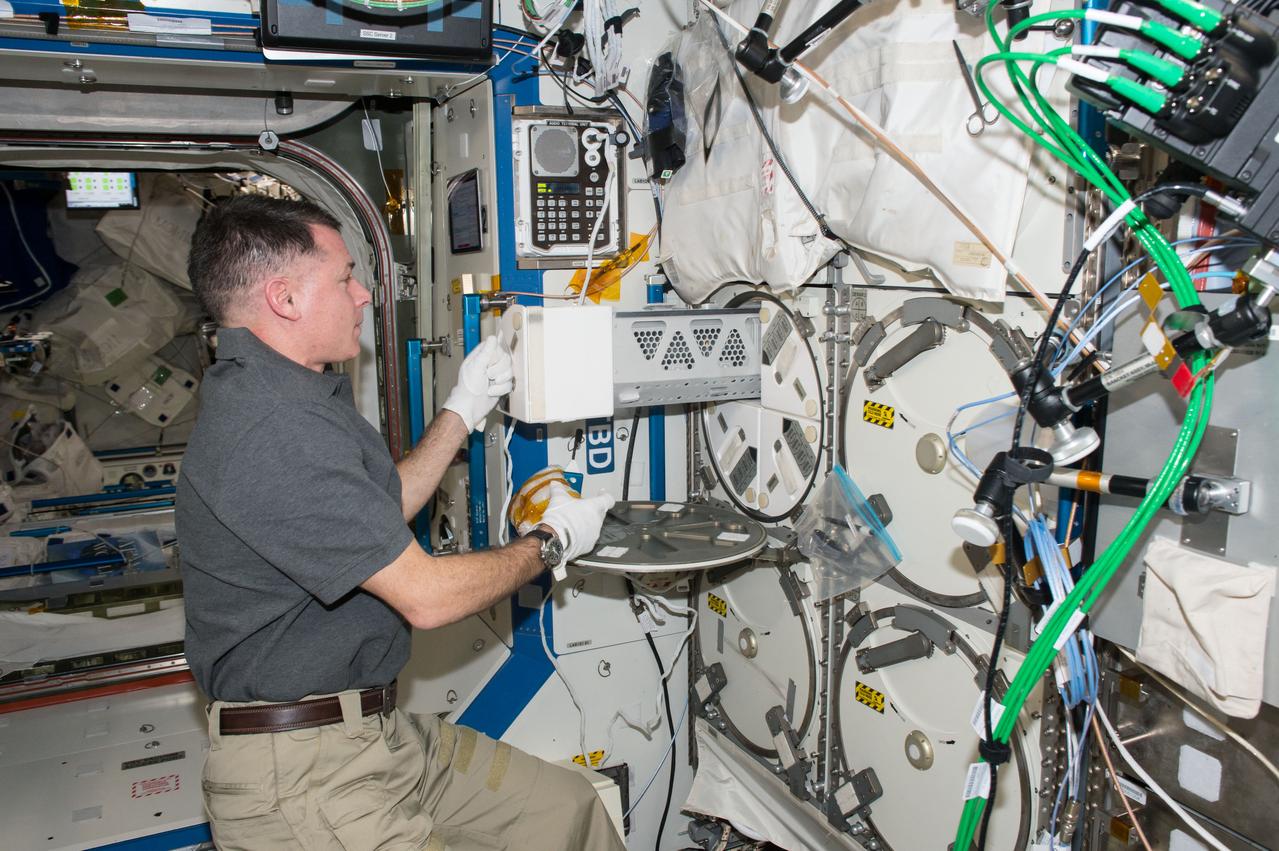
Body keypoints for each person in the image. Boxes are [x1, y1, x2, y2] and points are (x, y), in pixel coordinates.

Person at [177, 194, 623, 851]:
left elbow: (373, 514)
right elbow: (426, 597)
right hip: (305, 773)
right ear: (285, 298)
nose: (361, 296)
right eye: (344, 277)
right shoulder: (271, 428)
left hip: (375, 733)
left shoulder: (287, 395)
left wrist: (463, 410)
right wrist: (550, 541)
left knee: (563, 810)